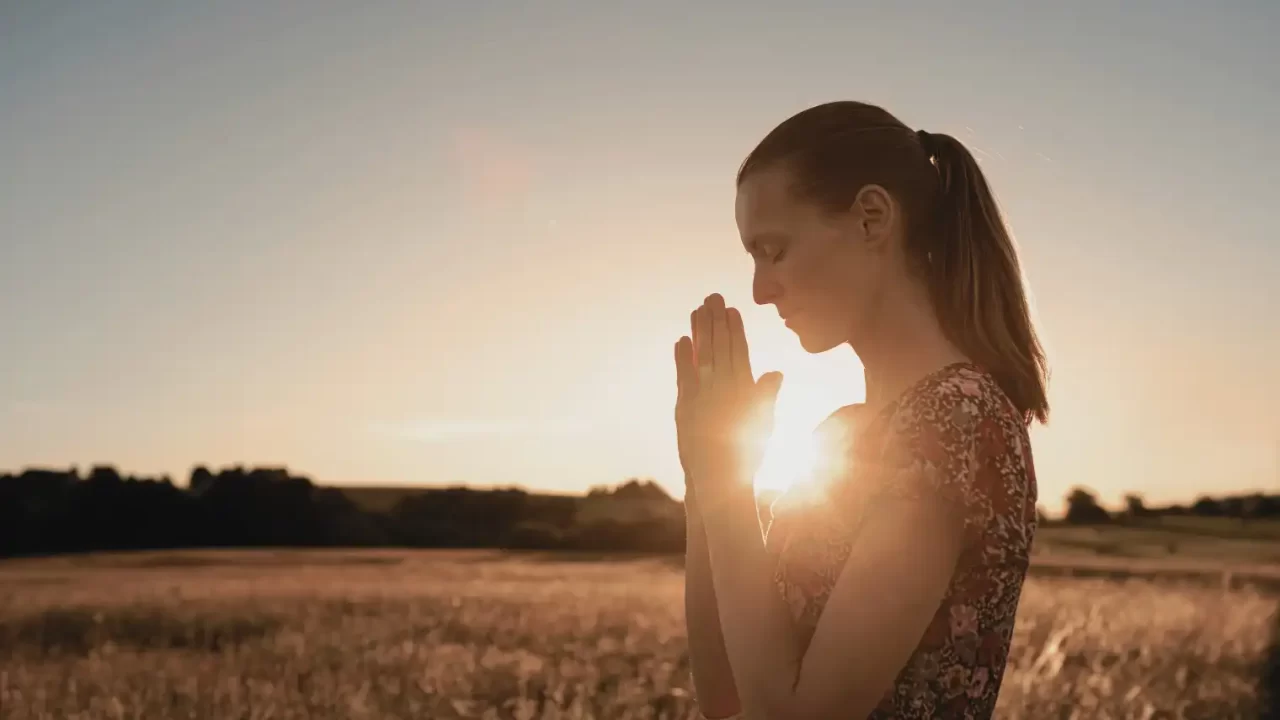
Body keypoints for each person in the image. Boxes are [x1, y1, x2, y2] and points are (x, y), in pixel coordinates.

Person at [674, 100, 1048, 719]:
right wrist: (705, 482)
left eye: (775, 250)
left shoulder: (958, 418)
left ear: (872, 218)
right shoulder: (846, 434)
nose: (761, 291)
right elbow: (726, 699)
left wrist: (723, 484)